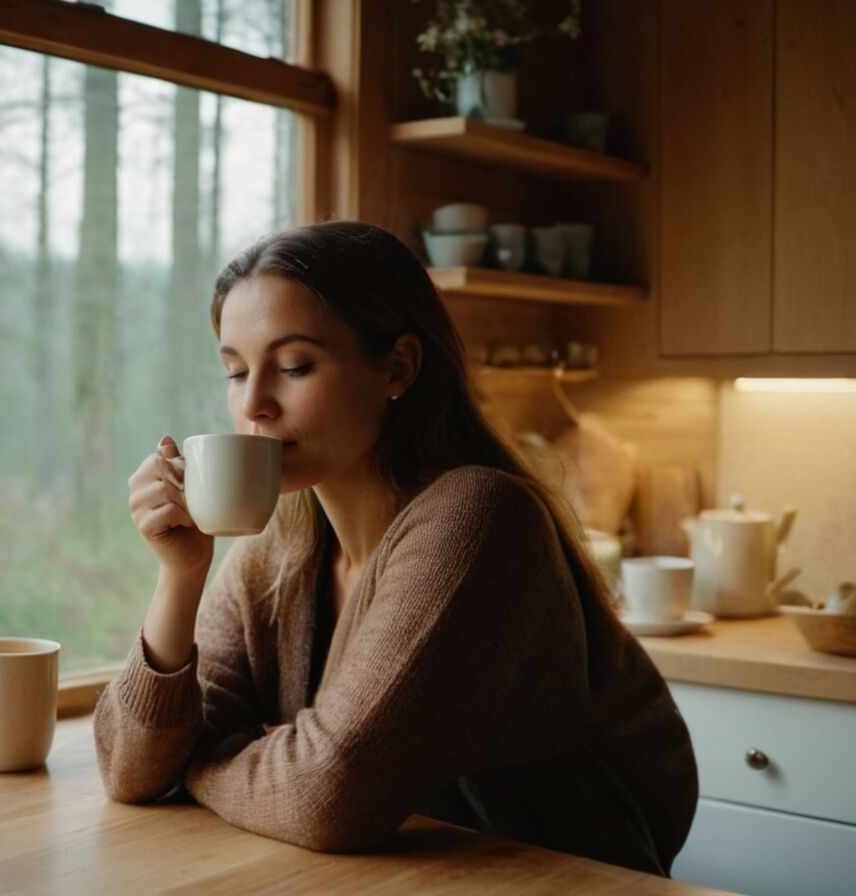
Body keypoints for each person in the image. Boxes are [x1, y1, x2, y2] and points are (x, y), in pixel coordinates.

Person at [94, 221, 697, 875]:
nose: (255, 404)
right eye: (235, 371)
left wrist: (204, 759)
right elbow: (131, 772)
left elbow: (329, 793)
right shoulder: (280, 548)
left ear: (399, 366)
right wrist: (179, 577)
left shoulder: (476, 519)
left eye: (295, 365)